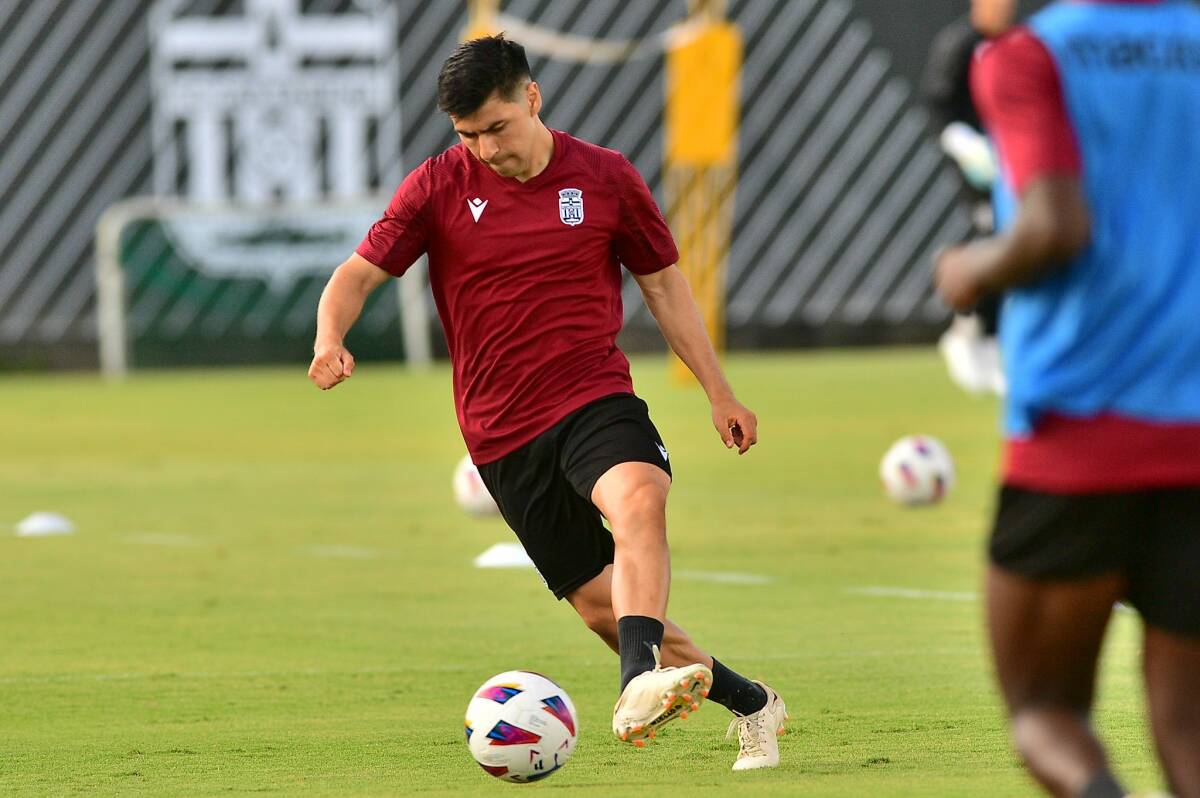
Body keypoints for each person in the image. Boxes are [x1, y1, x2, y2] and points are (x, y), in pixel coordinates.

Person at [307, 35, 787, 770]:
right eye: (468, 135)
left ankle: (636, 682)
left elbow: (663, 285)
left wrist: (719, 391)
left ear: (532, 98)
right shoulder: (437, 186)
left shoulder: (606, 178)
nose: (486, 149)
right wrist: (329, 337)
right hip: (501, 434)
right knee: (605, 610)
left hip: (593, 396)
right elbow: (357, 273)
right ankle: (753, 703)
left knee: (639, 499)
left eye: (497, 128)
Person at [935, 1, 1200, 795]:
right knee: (1189, 725)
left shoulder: (1031, 54)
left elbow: (1054, 226)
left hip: (1080, 432)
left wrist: (968, 271)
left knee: (1044, 710)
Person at [922, 0, 1019, 397]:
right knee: (989, 235)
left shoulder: (1015, 43)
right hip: (978, 161)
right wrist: (967, 147)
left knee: (1007, 239)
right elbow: (940, 106)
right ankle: (969, 329)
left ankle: (987, 334)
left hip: (1011, 159)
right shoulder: (960, 44)